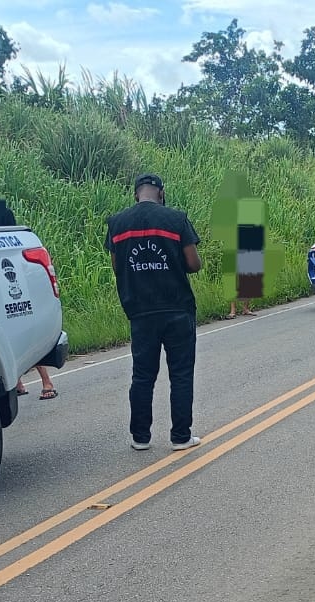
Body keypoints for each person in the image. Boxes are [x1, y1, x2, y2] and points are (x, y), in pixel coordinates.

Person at [106, 173, 203, 452]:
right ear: (161, 193)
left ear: (136, 194)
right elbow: (194, 263)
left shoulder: (118, 223)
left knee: (142, 376)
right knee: (181, 375)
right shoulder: (176, 219)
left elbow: (117, 266)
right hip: (177, 308)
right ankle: (180, 437)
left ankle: (140, 437)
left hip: (140, 311)